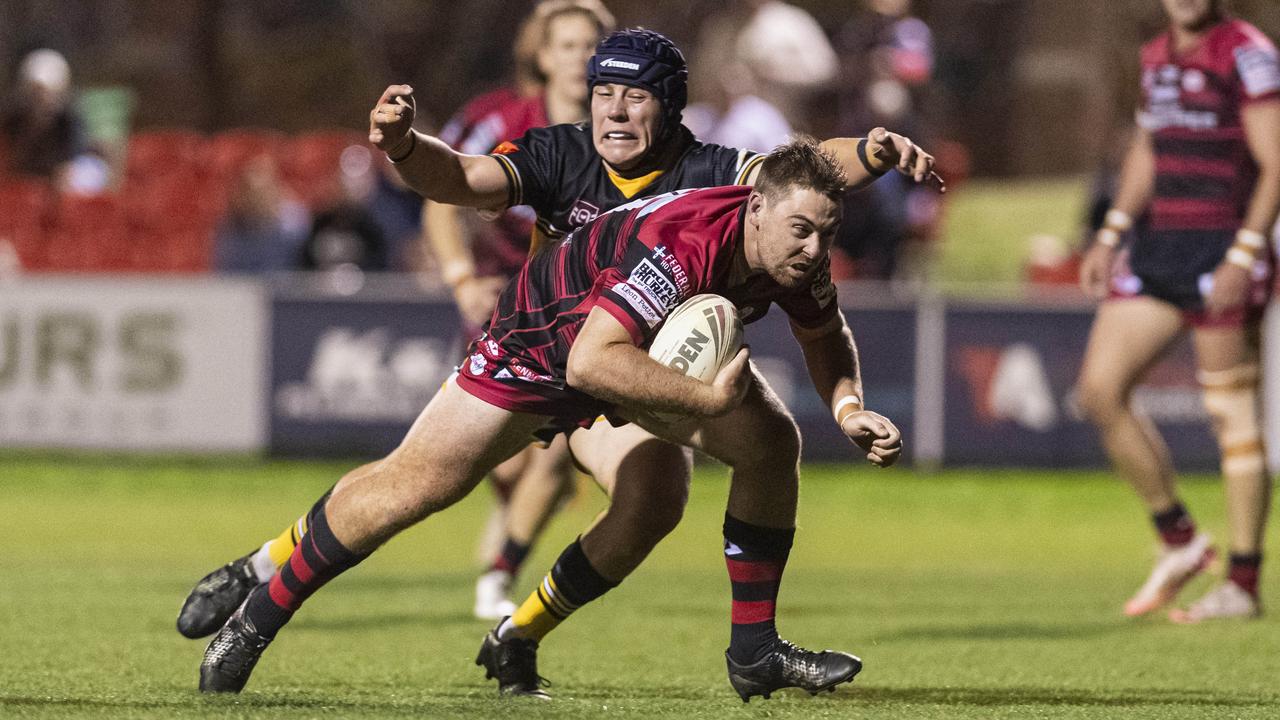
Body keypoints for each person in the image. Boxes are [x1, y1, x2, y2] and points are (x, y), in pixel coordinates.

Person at [187, 28, 940, 700]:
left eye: (633, 97)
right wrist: (405, 148)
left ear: (670, 107)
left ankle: (713, 647)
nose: (612, 110)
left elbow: (803, 180)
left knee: (721, 466)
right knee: (412, 488)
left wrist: (874, 154)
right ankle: (260, 604)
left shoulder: (744, 192)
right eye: (602, 92)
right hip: (544, 349)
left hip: (631, 362)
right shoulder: (567, 154)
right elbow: (466, 187)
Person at [1076, 0, 1280, 623]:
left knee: (1232, 421)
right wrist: (1111, 234)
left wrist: (1244, 256)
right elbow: (1147, 149)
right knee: (1099, 392)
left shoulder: (1246, 50)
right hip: (1161, 251)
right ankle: (1181, 539)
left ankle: (1241, 584)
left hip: (1223, 254)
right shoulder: (1156, 55)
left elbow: (1276, 161)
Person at [422, 0, 614, 621]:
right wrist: (460, 280)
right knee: (478, 457)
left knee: (559, 449)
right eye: (567, 45)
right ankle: (507, 518)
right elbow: (439, 196)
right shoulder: (500, 118)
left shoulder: (626, 127)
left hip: (582, 309)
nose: (580, 58)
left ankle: (499, 575)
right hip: (504, 303)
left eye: (592, 44)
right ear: (540, 54)